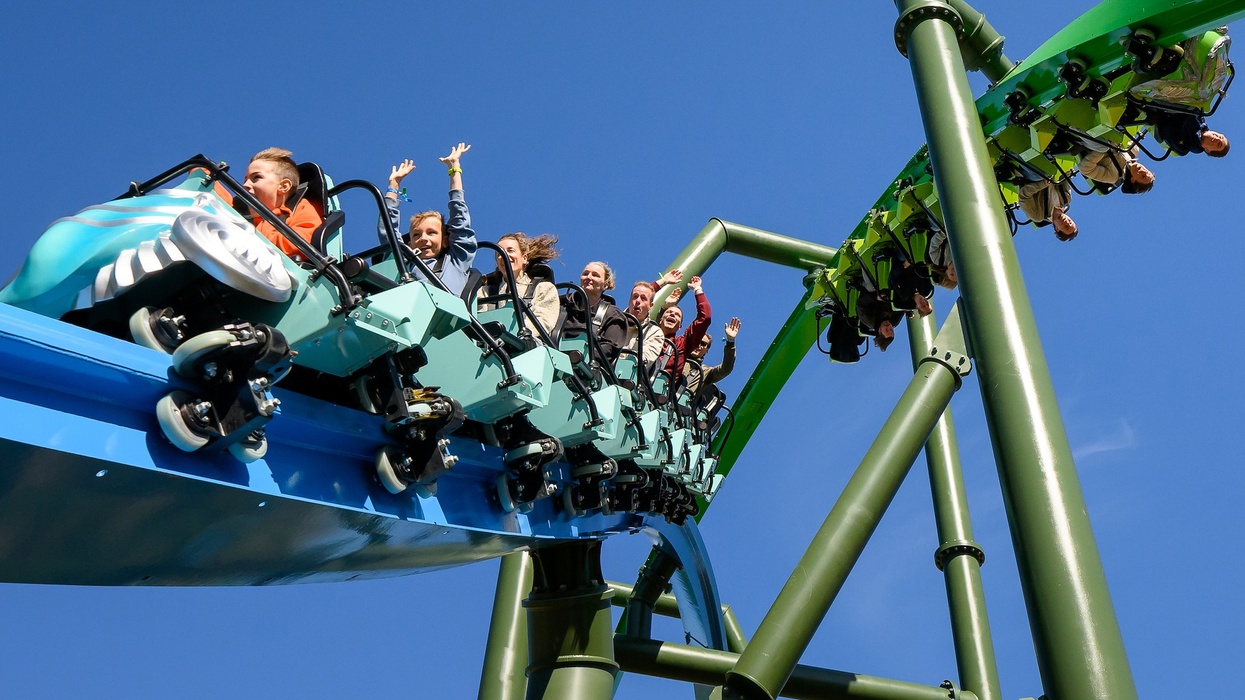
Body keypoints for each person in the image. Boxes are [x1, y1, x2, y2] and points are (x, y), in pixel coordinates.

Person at [380, 143, 478, 295]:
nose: (423, 239)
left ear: (445, 240)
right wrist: (394, 185)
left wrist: (454, 169)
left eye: (432, 233)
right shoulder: (403, 265)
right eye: (416, 235)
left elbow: (460, 219)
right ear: (409, 244)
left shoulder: (456, 261)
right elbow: (388, 231)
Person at [242, 147, 324, 260]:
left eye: (256, 177)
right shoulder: (241, 216)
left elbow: (298, 245)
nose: (245, 185)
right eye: (245, 180)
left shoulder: (300, 209)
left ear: (283, 186)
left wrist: (249, 239)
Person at [476, 233, 560, 340]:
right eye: (499, 254)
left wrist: (512, 335)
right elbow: (479, 320)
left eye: (510, 250)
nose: (504, 256)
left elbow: (543, 322)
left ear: (524, 258)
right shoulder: (485, 292)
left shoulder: (543, 288)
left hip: (527, 347)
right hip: (490, 344)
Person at [559, 261, 627, 365]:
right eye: (585, 273)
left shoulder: (613, 315)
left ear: (605, 285)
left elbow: (609, 349)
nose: (589, 277)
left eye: (595, 275)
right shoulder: (562, 304)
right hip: (554, 356)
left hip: (585, 371)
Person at [623, 270, 683, 366]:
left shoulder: (655, 333)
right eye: (634, 297)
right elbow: (644, 292)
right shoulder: (615, 318)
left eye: (643, 299)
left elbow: (643, 361)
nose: (638, 301)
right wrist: (663, 281)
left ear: (651, 306)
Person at [657, 275, 712, 376]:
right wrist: (664, 281)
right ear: (660, 319)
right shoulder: (647, 333)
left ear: (679, 326)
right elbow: (639, 300)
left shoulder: (682, 344)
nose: (673, 314)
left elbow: (705, 318)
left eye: (677, 315)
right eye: (669, 312)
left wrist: (697, 289)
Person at [683, 317, 740, 396]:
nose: (699, 345)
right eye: (697, 341)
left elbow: (726, 369)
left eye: (703, 344)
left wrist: (730, 341)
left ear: (707, 351)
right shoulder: (674, 356)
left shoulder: (704, 372)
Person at [1077, 144, 1155, 194]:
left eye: (1143, 176)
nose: (1143, 171)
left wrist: (1103, 149)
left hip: (1091, 139)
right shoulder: (1133, 150)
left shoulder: (1113, 176)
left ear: (1132, 180)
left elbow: (1085, 169)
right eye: (1147, 171)